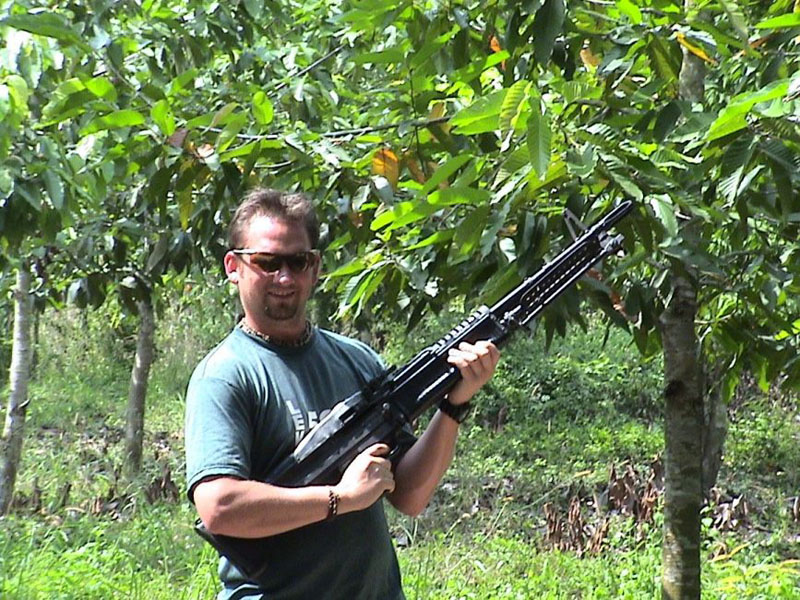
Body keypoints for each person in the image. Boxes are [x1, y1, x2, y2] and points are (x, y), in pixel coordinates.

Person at [185, 188, 500, 599]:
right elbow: (219, 505)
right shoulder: (226, 375)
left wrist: (454, 405)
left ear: (314, 267)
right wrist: (339, 499)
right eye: (267, 262)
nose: (284, 277)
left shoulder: (357, 360)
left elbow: (410, 495)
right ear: (234, 266)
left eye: (297, 262)